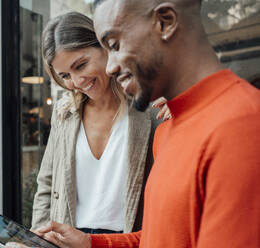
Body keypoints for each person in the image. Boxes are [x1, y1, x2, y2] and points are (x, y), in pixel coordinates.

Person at [34, 0, 260, 247]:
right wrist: (90, 242)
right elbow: (156, 236)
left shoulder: (241, 124)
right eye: (65, 75)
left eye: (115, 45)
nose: (111, 66)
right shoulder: (167, 129)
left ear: (165, 22)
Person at [29, 12, 169, 236]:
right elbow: (47, 184)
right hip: (70, 238)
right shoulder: (65, 113)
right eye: (65, 75)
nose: (76, 82)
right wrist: (40, 238)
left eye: (81, 65)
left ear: (106, 47)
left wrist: (179, 105)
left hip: (130, 237)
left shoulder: (150, 107)